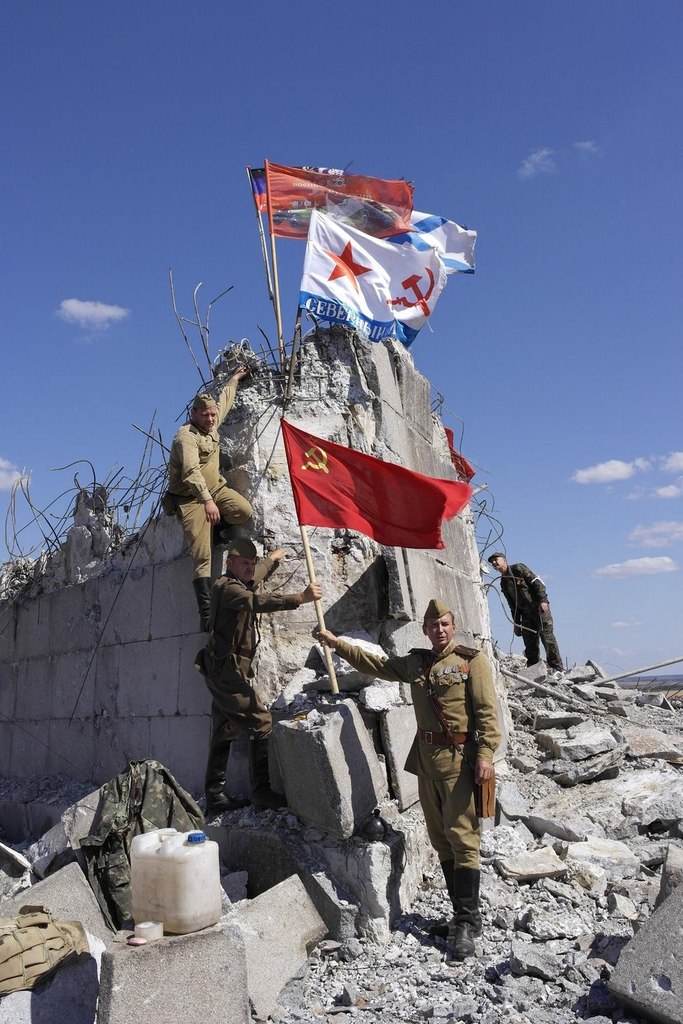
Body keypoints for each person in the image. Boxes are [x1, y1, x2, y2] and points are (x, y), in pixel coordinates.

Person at [318, 599, 500, 960]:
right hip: (427, 763)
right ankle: (462, 916)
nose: (440, 630)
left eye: (445, 624)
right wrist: (337, 644)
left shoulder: (471, 661)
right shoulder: (417, 663)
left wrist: (485, 755)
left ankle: (467, 922)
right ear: (425, 630)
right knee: (442, 840)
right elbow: (378, 665)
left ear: (453, 626)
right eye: (433, 625)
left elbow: (487, 712)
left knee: (464, 839)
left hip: (459, 761)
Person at [195, 538, 322, 814]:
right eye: (244, 563)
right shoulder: (228, 588)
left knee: (225, 727)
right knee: (262, 721)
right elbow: (255, 601)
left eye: (252, 563)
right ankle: (261, 792)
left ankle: (214, 795)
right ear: (229, 563)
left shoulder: (240, 581)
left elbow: (256, 575)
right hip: (225, 672)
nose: (250, 568)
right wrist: (300, 598)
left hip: (226, 670)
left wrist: (271, 559)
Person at [166, 367, 253, 630]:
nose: (211, 419)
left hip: (215, 490)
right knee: (202, 556)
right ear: (194, 414)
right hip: (191, 498)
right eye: (205, 415)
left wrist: (235, 379)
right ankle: (206, 614)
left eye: (213, 414)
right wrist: (207, 502)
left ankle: (215, 529)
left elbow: (225, 399)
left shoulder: (213, 421)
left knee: (243, 511)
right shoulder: (186, 437)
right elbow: (191, 473)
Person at [487, 553, 563, 672]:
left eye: (496, 560)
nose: (494, 563)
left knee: (547, 639)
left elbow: (537, 583)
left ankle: (557, 668)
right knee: (530, 644)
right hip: (526, 614)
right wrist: (516, 623)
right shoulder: (503, 582)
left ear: (504, 560)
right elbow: (512, 605)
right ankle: (533, 670)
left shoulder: (518, 569)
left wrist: (543, 600)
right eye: (492, 562)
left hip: (538, 609)